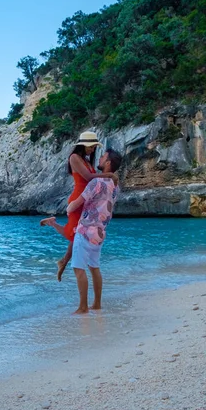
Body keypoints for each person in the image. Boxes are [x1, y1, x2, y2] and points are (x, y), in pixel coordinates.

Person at [40, 131, 117, 281]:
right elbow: (88, 178)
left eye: (95, 147)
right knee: (75, 234)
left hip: (88, 200)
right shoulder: (74, 158)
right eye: (91, 146)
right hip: (78, 199)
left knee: (77, 234)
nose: (93, 150)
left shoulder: (87, 160)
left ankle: (63, 259)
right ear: (84, 145)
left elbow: (91, 180)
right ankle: (53, 226)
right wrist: (109, 175)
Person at [67, 148, 123, 314]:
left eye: (103, 157)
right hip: (100, 233)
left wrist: (69, 208)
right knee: (94, 267)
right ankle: (97, 304)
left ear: (108, 163)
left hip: (85, 230)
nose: (99, 159)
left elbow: (78, 202)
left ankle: (83, 307)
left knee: (78, 268)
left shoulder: (95, 183)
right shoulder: (115, 186)